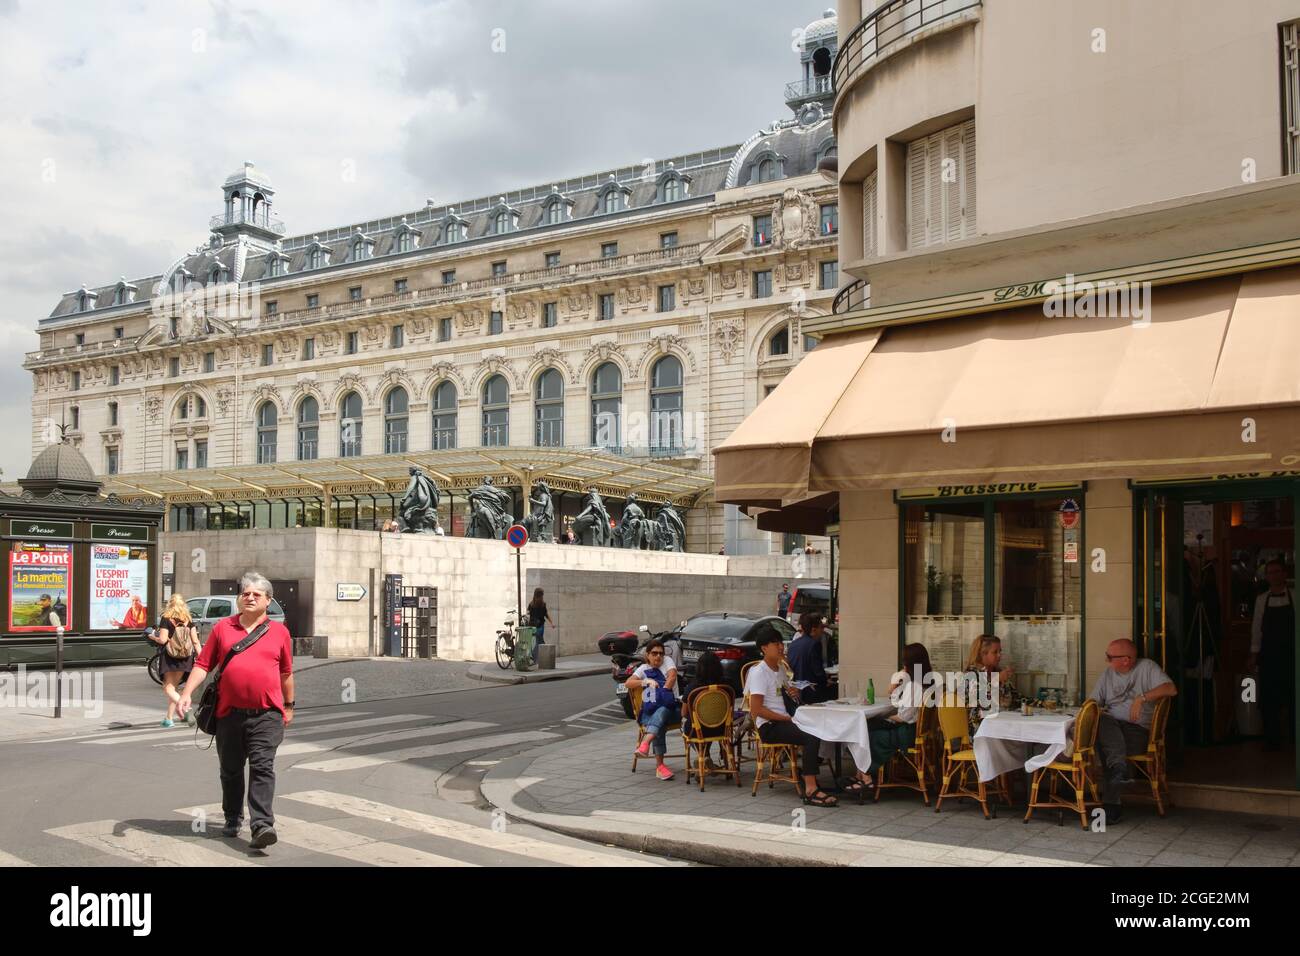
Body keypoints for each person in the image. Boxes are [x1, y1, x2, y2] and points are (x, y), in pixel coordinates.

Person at [177, 571, 294, 850]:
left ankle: (262, 824)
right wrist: (186, 693)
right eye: (245, 593)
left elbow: (286, 672)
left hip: (267, 715)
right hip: (229, 714)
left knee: (262, 768)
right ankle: (232, 816)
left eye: (257, 594)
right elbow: (203, 664)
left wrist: (289, 706)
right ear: (239, 600)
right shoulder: (222, 628)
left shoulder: (280, 632)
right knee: (230, 770)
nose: (250, 597)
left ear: (268, 600)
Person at [1090, 638, 1177, 822]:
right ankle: (1118, 774)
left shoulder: (1147, 667)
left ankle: (1112, 802)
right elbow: (1093, 703)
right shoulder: (1108, 674)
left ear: (1126, 660)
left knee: (1105, 743)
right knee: (1103, 721)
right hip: (1112, 728)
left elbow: (1171, 688)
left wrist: (1142, 698)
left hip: (1137, 732)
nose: (1107, 661)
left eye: (1110, 657)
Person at [746, 629, 837, 806]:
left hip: (786, 719)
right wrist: (786, 719)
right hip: (770, 726)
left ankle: (814, 777)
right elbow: (756, 709)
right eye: (776, 644)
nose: (781, 647)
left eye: (781, 643)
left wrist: (792, 693)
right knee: (810, 736)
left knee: (821, 727)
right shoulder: (759, 672)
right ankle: (810, 789)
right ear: (764, 648)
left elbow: (781, 695)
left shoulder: (779, 669)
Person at [1249, 558, 1294, 751]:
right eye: (1270, 572)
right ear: (1266, 577)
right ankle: (1272, 739)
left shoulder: (1296, 596)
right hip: (1268, 655)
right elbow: (1256, 629)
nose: (1274, 576)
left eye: (1277, 572)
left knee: (1293, 696)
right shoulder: (1261, 600)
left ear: (1284, 574)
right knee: (1269, 698)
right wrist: (1253, 654)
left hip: (1292, 654)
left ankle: (1294, 735)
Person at [871, 643, 933, 779]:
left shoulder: (913, 686)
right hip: (920, 733)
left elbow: (903, 717)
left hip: (908, 735)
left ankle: (866, 776)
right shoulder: (928, 682)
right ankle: (865, 775)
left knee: (870, 734)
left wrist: (883, 716)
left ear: (908, 664)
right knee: (873, 726)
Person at [627, 639, 680, 780]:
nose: (658, 656)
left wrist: (663, 693)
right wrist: (645, 681)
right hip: (649, 713)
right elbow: (628, 683)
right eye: (654, 653)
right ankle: (660, 767)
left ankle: (646, 742)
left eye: (661, 653)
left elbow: (672, 676)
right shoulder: (643, 669)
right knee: (660, 718)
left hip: (673, 711)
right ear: (648, 655)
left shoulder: (667, 661)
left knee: (663, 708)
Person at [152, 594, 201, 728]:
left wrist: (153, 637)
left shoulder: (166, 619)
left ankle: (186, 709)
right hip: (185, 658)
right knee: (174, 688)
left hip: (170, 657)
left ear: (170, 604)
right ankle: (168, 719)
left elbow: (162, 640)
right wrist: (202, 657)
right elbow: (195, 641)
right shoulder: (188, 620)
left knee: (167, 688)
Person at [681, 650, 731, 770]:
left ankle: (702, 758)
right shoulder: (727, 686)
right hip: (721, 729)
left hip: (698, 730)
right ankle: (706, 758)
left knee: (692, 725)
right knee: (704, 724)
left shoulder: (693, 688)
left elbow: (684, 712)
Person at [963, 633, 1020, 732]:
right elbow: (981, 702)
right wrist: (996, 681)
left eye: (1000, 651)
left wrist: (1041, 703)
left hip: (1003, 724)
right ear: (982, 654)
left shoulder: (998, 672)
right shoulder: (972, 674)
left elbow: (1017, 698)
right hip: (981, 728)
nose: (999, 655)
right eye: (995, 652)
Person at [787, 611, 837, 704]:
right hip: (811, 691)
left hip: (797, 690)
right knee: (838, 690)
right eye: (821, 628)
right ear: (814, 630)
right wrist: (826, 681)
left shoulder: (793, 644)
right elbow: (817, 671)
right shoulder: (814, 644)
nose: (822, 631)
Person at [526, 587, 555, 665]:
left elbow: (546, 614)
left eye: (542, 596)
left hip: (540, 626)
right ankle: (541, 657)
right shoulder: (531, 605)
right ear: (537, 596)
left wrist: (551, 623)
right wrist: (527, 616)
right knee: (537, 642)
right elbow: (528, 614)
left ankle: (538, 659)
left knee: (538, 641)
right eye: (541, 596)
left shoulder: (543, 604)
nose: (542, 597)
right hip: (532, 626)